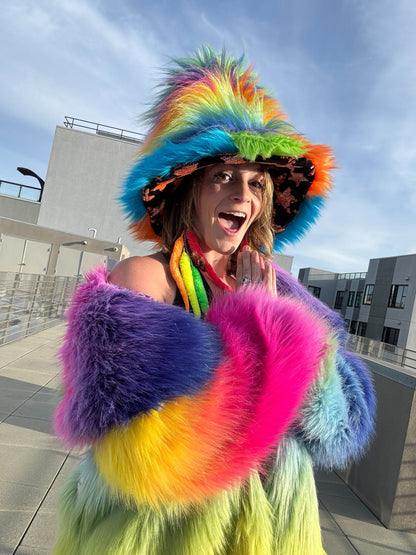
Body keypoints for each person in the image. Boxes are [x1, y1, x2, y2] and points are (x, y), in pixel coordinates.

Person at [53, 47, 375, 554]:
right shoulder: (145, 277)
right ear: (189, 194)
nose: (242, 195)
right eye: (222, 177)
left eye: (256, 183)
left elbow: (341, 424)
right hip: (165, 534)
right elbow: (148, 450)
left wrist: (283, 325)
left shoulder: (283, 289)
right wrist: (258, 329)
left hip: (274, 530)